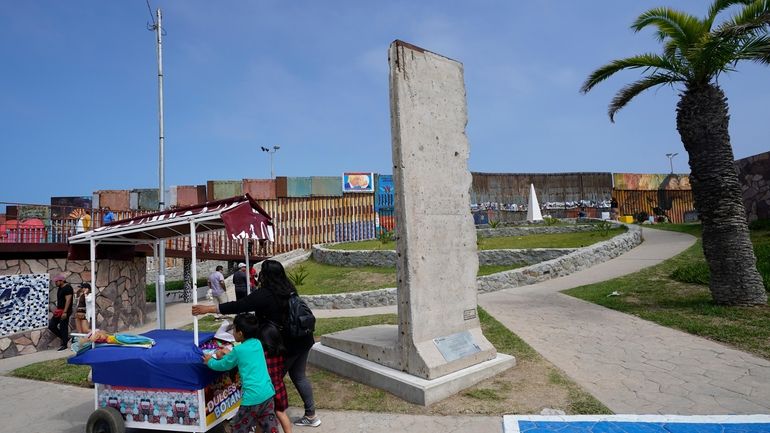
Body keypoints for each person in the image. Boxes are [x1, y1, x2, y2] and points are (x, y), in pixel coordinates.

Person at [193, 260, 320, 427]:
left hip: (286, 344)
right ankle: (311, 415)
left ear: (265, 275)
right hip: (303, 338)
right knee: (299, 376)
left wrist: (209, 309)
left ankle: (266, 415)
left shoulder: (266, 293)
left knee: (270, 381)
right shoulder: (289, 289)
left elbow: (239, 305)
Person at [203, 313, 279, 433]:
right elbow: (246, 358)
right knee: (269, 427)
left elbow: (222, 365)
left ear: (240, 333)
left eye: (234, 329)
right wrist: (230, 354)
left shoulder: (238, 350)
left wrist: (210, 361)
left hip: (251, 398)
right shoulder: (257, 343)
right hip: (267, 394)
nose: (232, 332)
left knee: (239, 428)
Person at [258, 321, 292, 433]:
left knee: (262, 416)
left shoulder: (263, 355)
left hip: (268, 390)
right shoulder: (280, 351)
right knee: (281, 413)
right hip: (279, 387)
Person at [48, 274, 73, 351]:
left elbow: (68, 300)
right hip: (59, 310)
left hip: (65, 311)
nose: (55, 283)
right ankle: (65, 338)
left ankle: (64, 344)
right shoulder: (60, 288)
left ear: (61, 281)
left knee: (63, 327)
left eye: (56, 281)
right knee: (51, 325)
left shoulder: (67, 288)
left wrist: (65, 312)